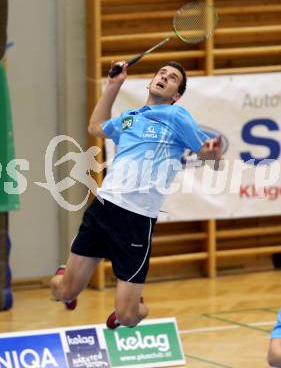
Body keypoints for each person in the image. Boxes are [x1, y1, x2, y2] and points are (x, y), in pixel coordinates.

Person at [50, 60, 222, 329]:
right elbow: (96, 126)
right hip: (104, 209)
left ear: (176, 95)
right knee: (64, 292)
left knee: (129, 317)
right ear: (151, 81)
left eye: (173, 77)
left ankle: (132, 305)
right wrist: (114, 85)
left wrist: (212, 151)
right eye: (161, 72)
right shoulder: (131, 117)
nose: (164, 77)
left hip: (136, 221)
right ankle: (65, 275)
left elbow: (209, 154)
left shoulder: (177, 117)